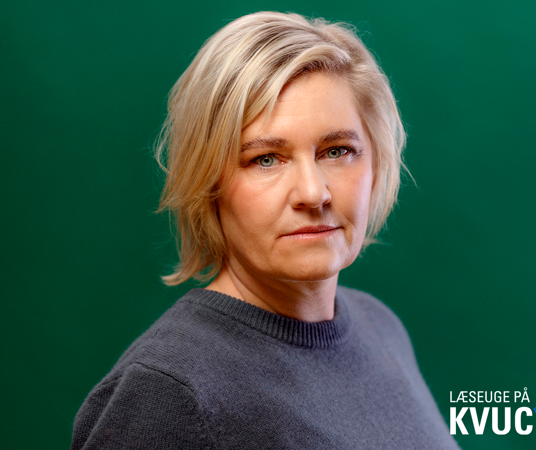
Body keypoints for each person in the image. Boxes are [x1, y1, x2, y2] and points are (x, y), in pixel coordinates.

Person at [71, 11, 460, 449]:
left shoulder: (381, 329)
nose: (313, 193)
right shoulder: (169, 392)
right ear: (208, 182)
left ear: (377, 162)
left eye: (337, 151)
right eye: (265, 159)